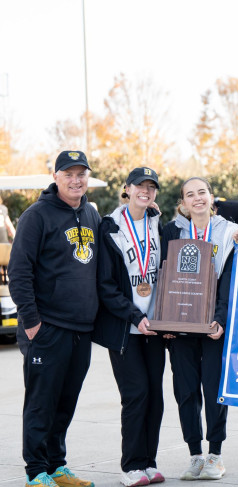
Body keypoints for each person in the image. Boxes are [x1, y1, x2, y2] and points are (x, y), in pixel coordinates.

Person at [8, 150, 100, 487]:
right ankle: (36, 472)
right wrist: (32, 323)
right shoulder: (37, 216)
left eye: (81, 174)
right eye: (69, 174)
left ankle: (56, 466)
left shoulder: (90, 212)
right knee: (41, 404)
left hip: (81, 329)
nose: (76, 180)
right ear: (56, 177)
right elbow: (18, 272)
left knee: (65, 403)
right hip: (47, 328)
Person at [161, 177, 238, 481]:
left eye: (202, 193)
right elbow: (161, 275)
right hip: (180, 326)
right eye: (190, 195)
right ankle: (195, 454)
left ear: (211, 197)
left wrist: (220, 320)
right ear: (182, 203)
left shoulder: (230, 232)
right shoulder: (169, 231)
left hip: (212, 327)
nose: (197, 199)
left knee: (214, 392)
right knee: (185, 391)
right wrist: (164, 320)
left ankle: (215, 455)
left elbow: (230, 282)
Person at [92, 167, 165, 486]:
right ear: (127, 189)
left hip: (158, 325)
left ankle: (148, 461)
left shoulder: (158, 223)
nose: (145, 191)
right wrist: (136, 316)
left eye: (151, 187)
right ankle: (131, 465)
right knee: (136, 394)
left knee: (156, 397)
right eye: (140, 186)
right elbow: (105, 285)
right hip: (127, 327)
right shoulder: (111, 226)